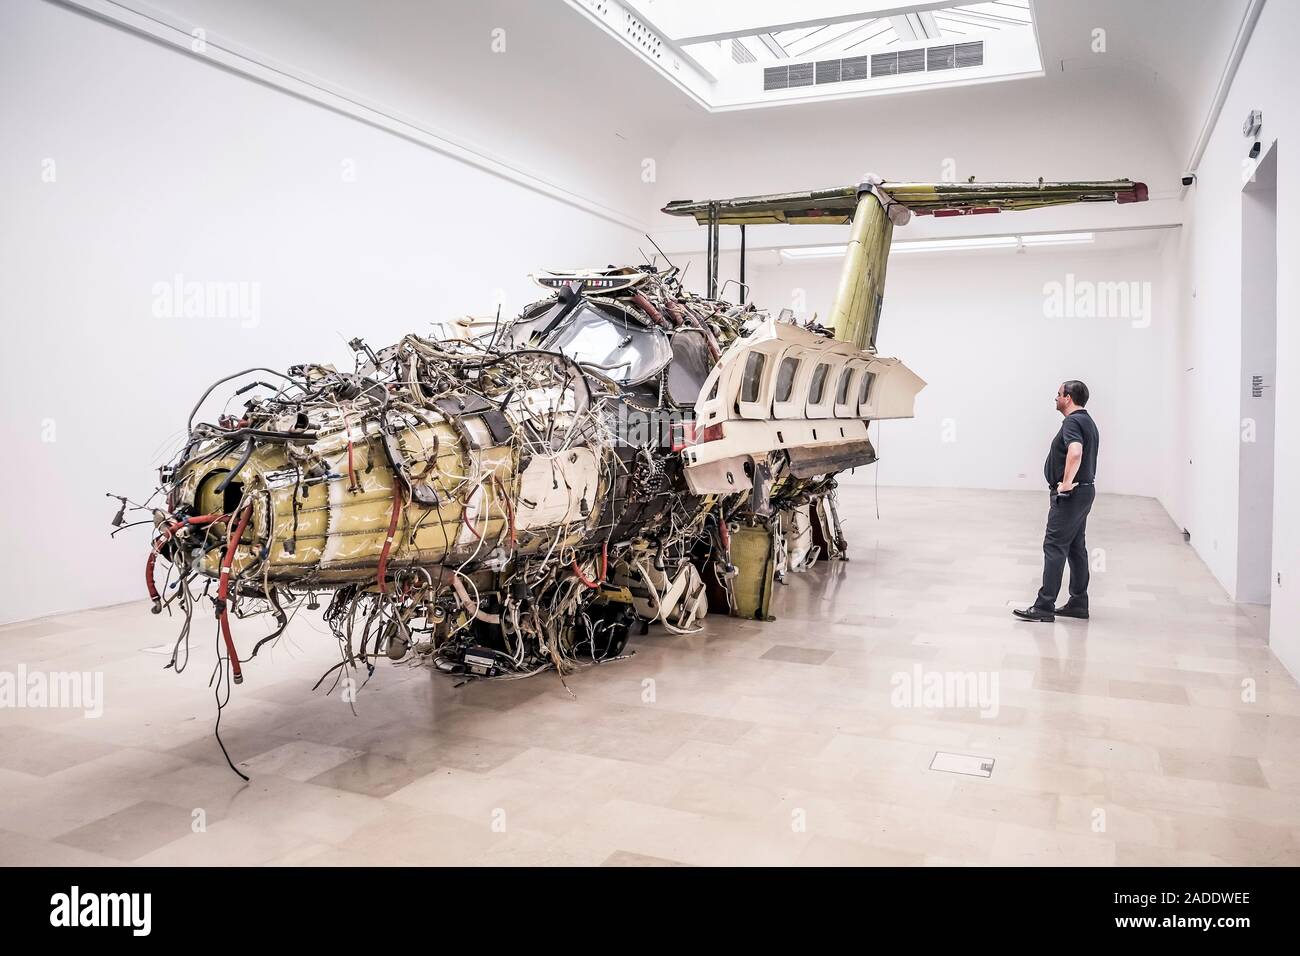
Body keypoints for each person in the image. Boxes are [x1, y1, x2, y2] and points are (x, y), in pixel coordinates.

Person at [1013, 380, 1099, 623]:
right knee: (1075, 547)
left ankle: (1044, 605)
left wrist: (1065, 484)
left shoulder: (1072, 421)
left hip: (1071, 495)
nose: (1056, 398)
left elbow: (1075, 452)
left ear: (1068, 397)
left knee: (1054, 546)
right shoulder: (1088, 421)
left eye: (1058, 394)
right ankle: (1078, 602)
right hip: (1085, 492)